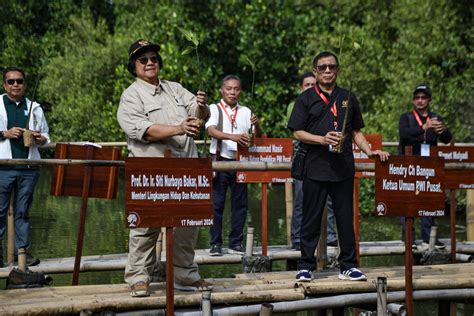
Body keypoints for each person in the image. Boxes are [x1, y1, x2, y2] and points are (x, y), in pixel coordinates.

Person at [117, 39, 212, 297]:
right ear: (133, 66)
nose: (150, 63)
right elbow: (141, 130)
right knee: (144, 227)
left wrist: (201, 108)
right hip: (151, 171)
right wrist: (180, 128)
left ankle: (184, 275)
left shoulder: (174, 88)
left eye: (154, 59)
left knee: (187, 226)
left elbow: (199, 114)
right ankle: (139, 277)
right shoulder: (131, 95)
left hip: (186, 170)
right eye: (143, 60)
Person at [288, 51, 390, 282]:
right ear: (315, 71)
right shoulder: (305, 99)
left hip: (343, 167)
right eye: (322, 67)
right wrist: (321, 139)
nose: (327, 71)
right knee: (311, 218)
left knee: (345, 219)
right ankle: (305, 265)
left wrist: (369, 150)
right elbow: (296, 131)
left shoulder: (347, 97)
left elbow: (355, 131)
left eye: (331, 67)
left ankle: (348, 265)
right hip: (315, 166)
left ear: (338, 70)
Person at [0, 67, 50, 268]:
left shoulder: (35, 107)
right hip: (3, 166)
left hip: (28, 168)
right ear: (5, 85)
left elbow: (47, 136)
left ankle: (23, 253)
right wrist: (5, 134)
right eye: (11, 81)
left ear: (25, 84)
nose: (15, 85)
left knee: (22, 211)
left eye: (19, 81)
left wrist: (40, 138)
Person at [206, 75, 261, 256]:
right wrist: (233, 137)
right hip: (220, 161)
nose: (232, 92)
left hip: (241, 162)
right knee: (217, 204)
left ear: (240, 91)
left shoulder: (246, 111)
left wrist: (257, 127)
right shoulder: (214, 108)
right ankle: (215, 244)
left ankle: (235, 243)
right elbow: (211, 130)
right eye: (229, 88)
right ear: (222, 90)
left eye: (236, 89)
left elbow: (256, 140)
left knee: (240, 205)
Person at [287, 72, 337, 251]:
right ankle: (297, 238)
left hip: (327, 156)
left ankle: (330, 237)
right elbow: (297, 129)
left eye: (312, 84)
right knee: (301, 198)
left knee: (329, 200)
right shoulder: (297, 103)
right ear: (302, 87)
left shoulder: (329, 100)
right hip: (305, 152)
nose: (309, 87)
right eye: (306, 85)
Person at [399, 84, 452, 249]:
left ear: (429, 100)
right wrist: (424, 127)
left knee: (428, 201)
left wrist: (443, 130)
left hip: (428, 165)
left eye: (423, 97)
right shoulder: (406, 117)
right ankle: (408, 238)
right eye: (417, 97)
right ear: (413, 100)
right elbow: (404, 135)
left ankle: (428, 237)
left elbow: (447, 139)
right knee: (408, 202)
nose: (420, 100)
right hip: (408, 165)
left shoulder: (436, 118)